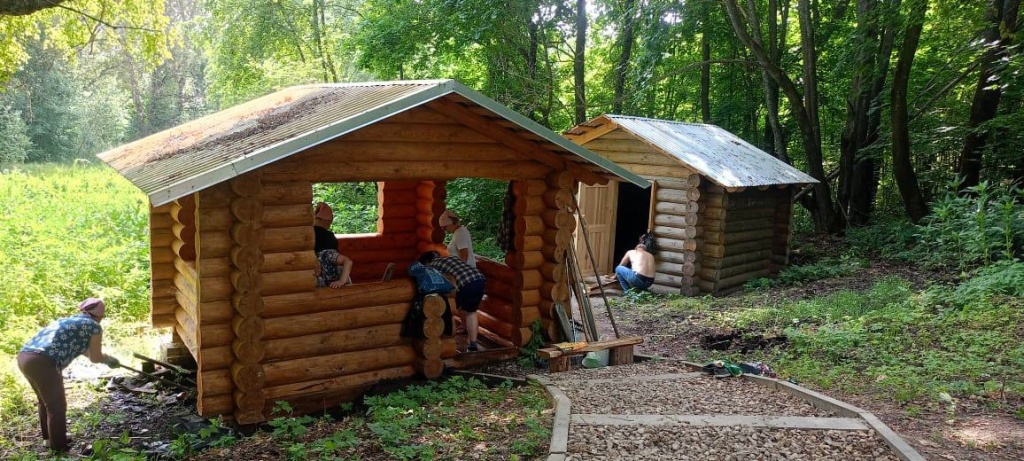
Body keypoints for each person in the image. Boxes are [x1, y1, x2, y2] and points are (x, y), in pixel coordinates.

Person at [17, 298, 121, 454]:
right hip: (44, 361)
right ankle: (59, 448)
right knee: (57, 406)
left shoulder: (70, 321)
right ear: (100, 316)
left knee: (45, 401)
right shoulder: (94, 327)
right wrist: (108, 360)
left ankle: (49, 439)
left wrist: (105, 358)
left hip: (25, 356)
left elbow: (85, 351)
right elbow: (95, 357)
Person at [419, 251, 486, 351]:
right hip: (479, 278)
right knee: (471, 312)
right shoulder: (450, 258)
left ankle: (466, 341)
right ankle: (472, 344)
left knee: (462, 309)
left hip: (466, 283)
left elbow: (443, 283)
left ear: (427, 262)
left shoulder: (432, 266)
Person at [313, 202, 353, 288]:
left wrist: (341, 281)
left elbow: (347, 262)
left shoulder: (327, 255)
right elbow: (347, 261)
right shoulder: (328, 241)